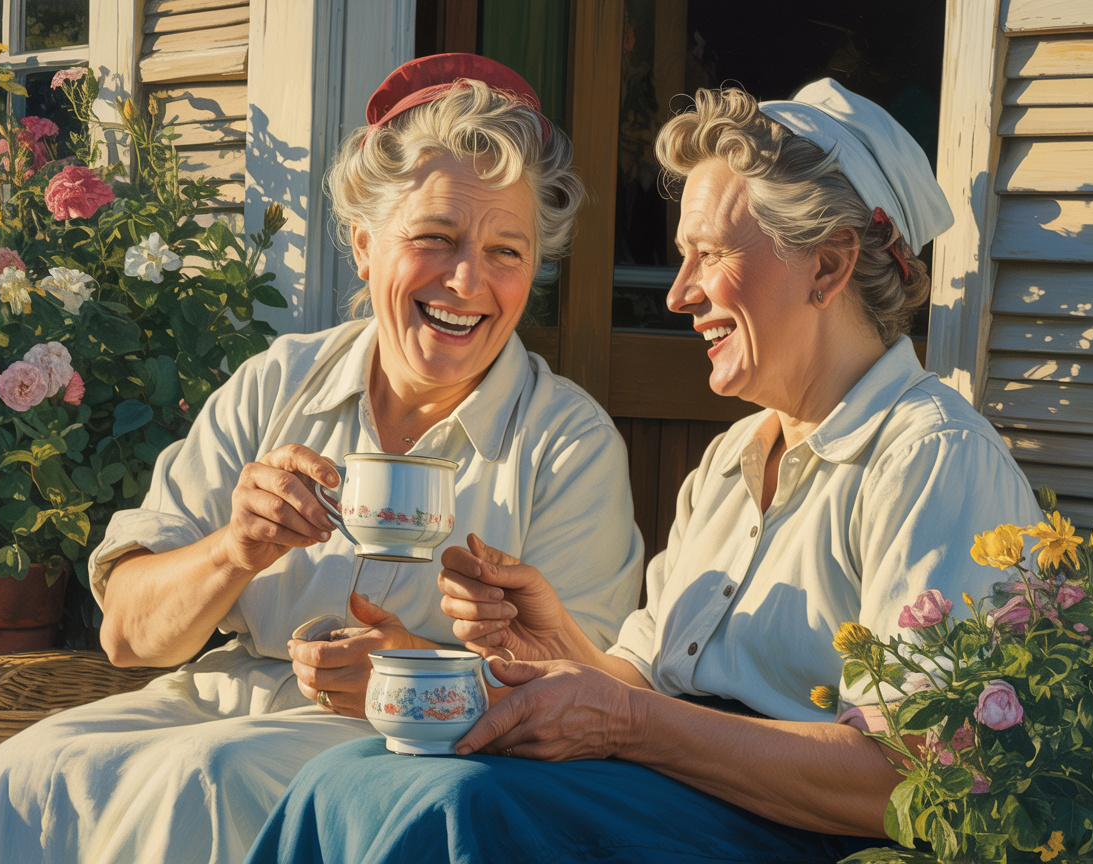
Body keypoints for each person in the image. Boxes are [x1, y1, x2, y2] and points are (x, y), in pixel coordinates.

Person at [243, 79, 1044, 864]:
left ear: (828, 269)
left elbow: (931, 777)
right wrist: (550, 639)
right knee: (350, 773)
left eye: (711, 255)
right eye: (680, 259)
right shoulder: (732, 460)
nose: (679, 293)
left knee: (461, 804)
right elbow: (641, 692)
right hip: (679, 802)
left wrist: (629, 721)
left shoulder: (931, 458)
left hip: (801, 834)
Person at [0, 54, 644, 864]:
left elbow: (591, 703)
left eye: (508, 251)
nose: (468, 281)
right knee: (17, 776)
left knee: (206, 780)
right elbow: (127, 635)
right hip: (214, 700)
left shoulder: (567, 443)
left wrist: (410, 676)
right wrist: (232, 549)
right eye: (436, 237)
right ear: (362, 246)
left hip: (409, 759)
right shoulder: (278, 382)